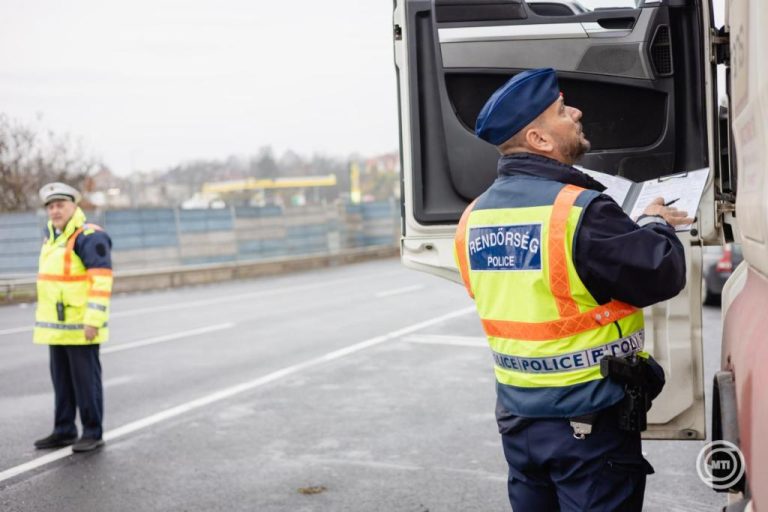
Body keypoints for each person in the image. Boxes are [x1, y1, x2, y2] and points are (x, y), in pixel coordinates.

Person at [453, 68, 693, 511]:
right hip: (586, 425)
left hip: (519, 422)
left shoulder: (473, 217)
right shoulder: (578, 209)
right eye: (563, 110)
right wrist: (655, 223)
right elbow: (661, 273)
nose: (576, 113)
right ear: (540, 140)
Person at [33, 182, 113, 453]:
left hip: (82, 327)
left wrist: (93, 320)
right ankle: (64, 430)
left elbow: (100, 282)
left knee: (86, 383)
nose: (55, 210)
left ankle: (92, 431)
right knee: (62, 384)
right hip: (56, 327)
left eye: (60, 205)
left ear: (74, 206)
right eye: (51, 206)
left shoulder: (88, 236)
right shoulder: (52, 238)